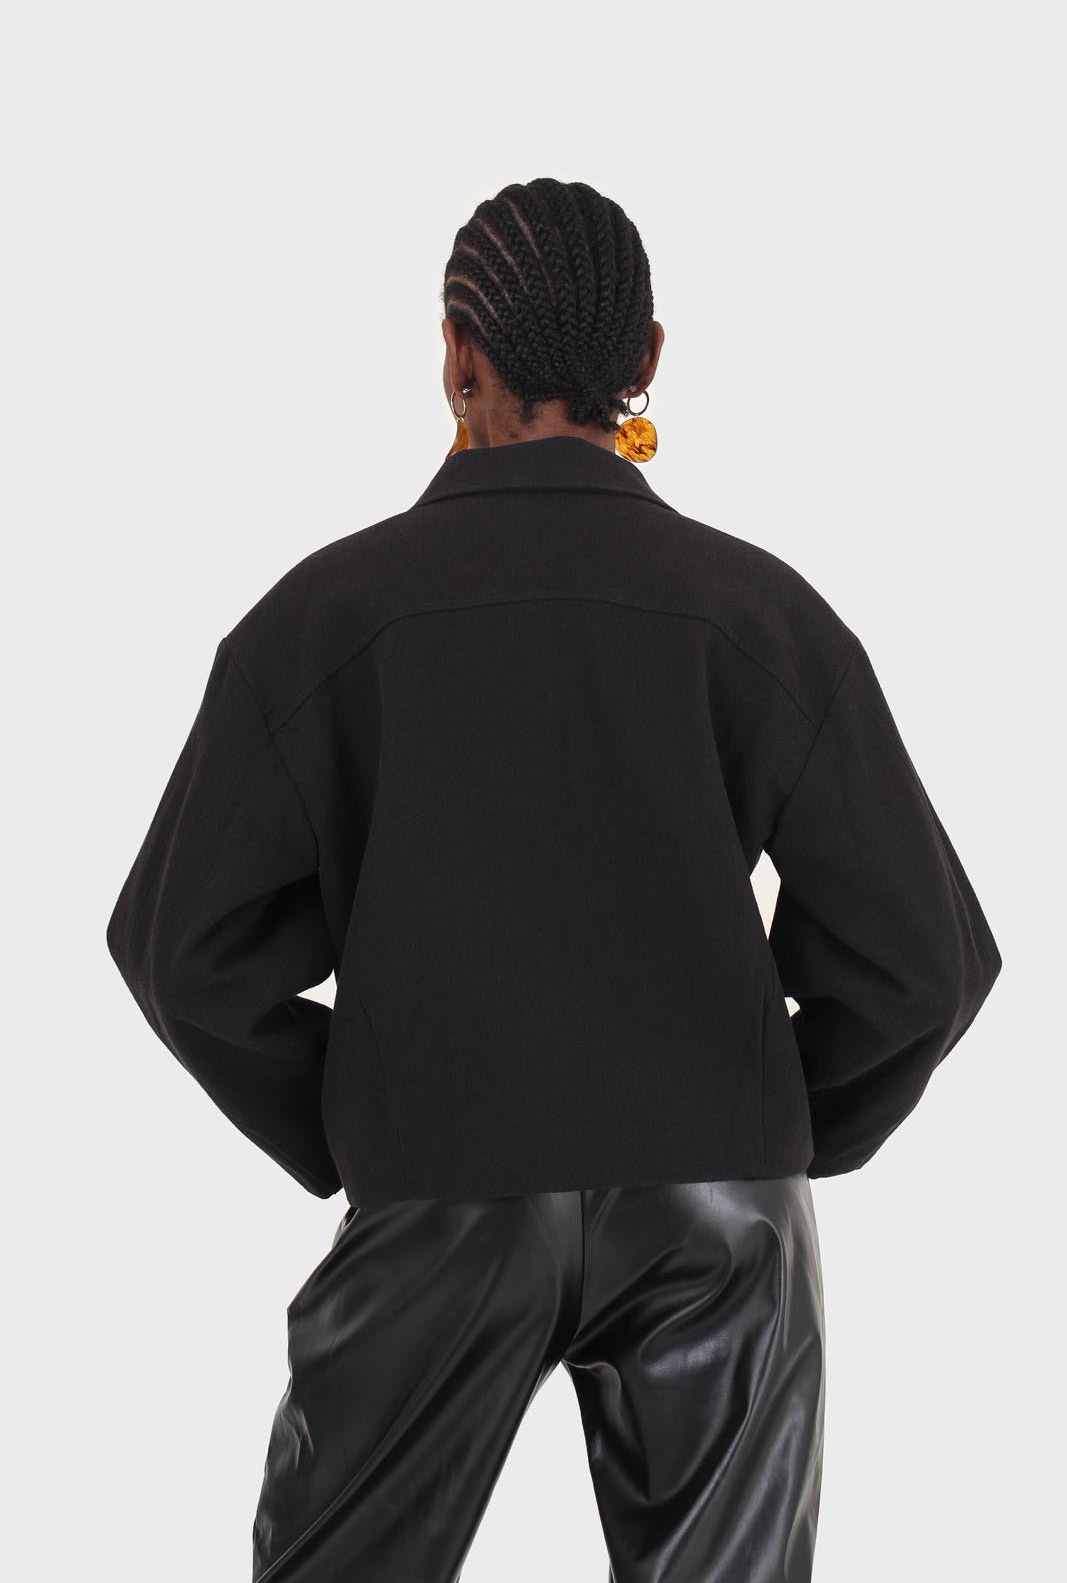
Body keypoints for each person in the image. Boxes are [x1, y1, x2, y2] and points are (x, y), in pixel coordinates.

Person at [105, 178, 1002, 1583]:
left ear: (455, 354)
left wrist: (368, 1118)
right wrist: (757, 1117)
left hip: (438, 1181)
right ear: (647, 359)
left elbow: (180, 950)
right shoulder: (759, 615)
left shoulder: (323, 621)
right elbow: (927, 966)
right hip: (719, 1206)